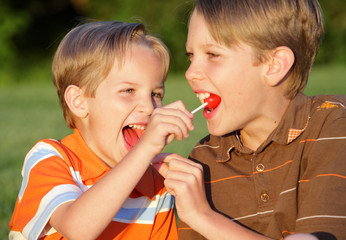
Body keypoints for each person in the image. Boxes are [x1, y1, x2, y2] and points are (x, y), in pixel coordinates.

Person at [153, 0, 346, 239]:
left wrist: (203, 217)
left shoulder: (334, 124)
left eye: (213, 54)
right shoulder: (204, 159)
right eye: (191, 56)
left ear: (273, 66)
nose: (191, 73)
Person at [8, 21, 194, 240]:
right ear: (79, 102)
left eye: (155, 94)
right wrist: (143, 150)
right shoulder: (51, 159)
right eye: (128, 90)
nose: (149, 106)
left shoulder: (155, 186)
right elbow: (77, 229)